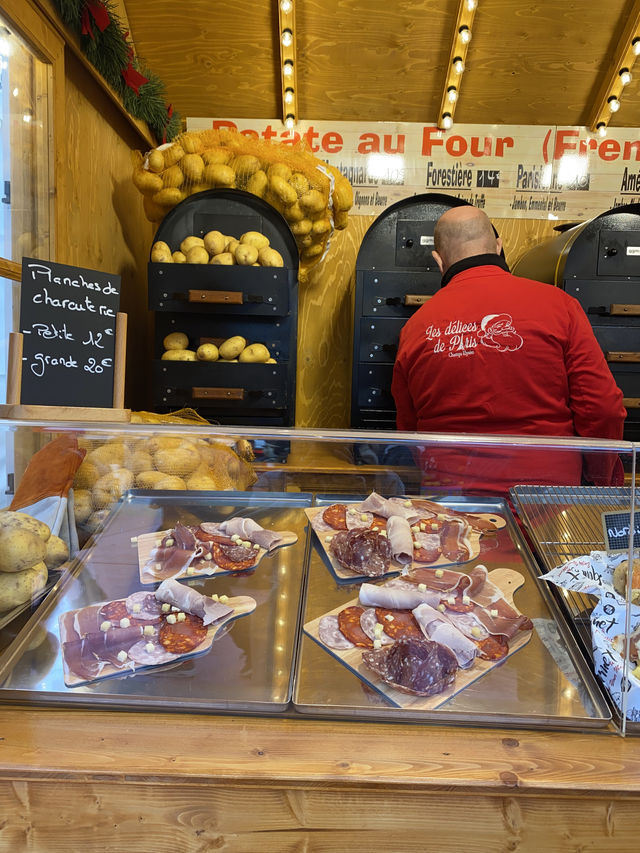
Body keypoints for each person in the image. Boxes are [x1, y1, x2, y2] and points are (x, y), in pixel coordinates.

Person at [391, 205, 627, 495]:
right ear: (499, 247)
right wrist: (599, 477)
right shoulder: (559, 306)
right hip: (547, 505)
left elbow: (409, 428)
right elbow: (602, 407)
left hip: (453, 504)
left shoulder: (415, 328)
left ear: (439, 260)